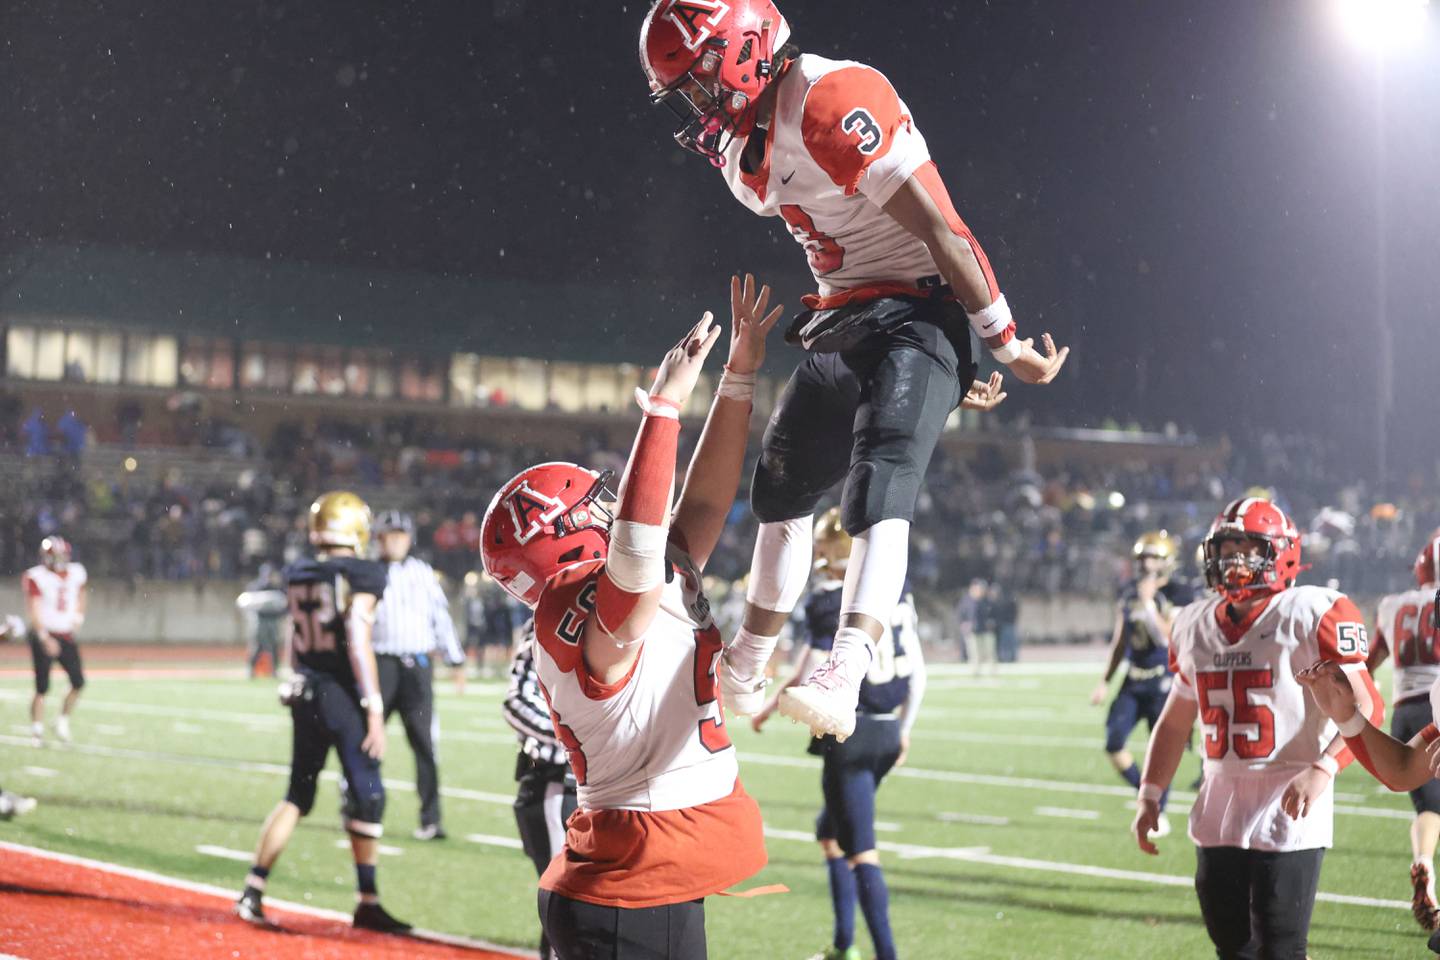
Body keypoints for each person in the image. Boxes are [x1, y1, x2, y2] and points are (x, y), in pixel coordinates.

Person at [639, 0, 1062, 741]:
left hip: (924, 305)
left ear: (742, 51)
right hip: (846, 316)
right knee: (778, 489)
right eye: (687, 93)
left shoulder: (833, 98)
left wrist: (1004, 342)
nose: (699, 107)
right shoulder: (747, 154)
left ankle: (845, 667)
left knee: (878, 486)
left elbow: (942, 229)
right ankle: (748, 657)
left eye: (701, 83)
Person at [480, 277, 779, 957]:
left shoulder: (620, 585)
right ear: (564, 536)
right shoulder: (578, 606)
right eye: (593, 507)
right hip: (630, 887)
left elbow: (701, 507)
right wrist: (664, 408)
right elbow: (639, 562)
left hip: (645, 874)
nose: (610, 508)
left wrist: (738, 377)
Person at [1132, 497, 1383, 960]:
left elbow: (1368, 704)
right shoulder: (1193, 622)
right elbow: (1173, 721)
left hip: (1291, 794)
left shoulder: (1313, 610)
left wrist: (1324, 768)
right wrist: (1150, 793)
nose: (1234, 559)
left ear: (1281, 552)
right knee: (1230, 944)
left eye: (1248, 547)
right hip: (1219, 799)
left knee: (1281, 947)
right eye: (1227, 547)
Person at [752, 507, 925, 960]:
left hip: (850, 734)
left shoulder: (830, 600)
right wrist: (904, 730)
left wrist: (766, 709)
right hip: (888, 732)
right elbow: (919, 672)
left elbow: (806, 670)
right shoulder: (896, 591)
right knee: (829, 831)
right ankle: (843, 943)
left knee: (861, 851)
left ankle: (886, 954)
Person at [233, 491, 410, 934]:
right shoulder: (363, 571)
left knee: (297, 795)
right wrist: (372, 709)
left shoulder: (299, 570)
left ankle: (252, 889)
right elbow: (356, 636)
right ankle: (366, 900)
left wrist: (297, 675)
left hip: (306, 691)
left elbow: (297, 634)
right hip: (342, 694)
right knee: (368, 792)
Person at [1361, 529, 1440, 931]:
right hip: (1437, 706)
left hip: (1405, 712)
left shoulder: (1394, 604)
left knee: (1430, 807)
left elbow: (1369, 662)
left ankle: (1424, 861)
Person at [370, 509, 465, 840]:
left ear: (409, 538)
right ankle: (361, 807)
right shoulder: (367, 572)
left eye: (400, 534)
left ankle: (431, 818)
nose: (395, 540)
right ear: (378, 538)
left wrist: (455, 660)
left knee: (426, 744)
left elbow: (440, 617)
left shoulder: (423, 573)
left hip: (417, 665)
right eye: (388, 534)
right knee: (367, 741)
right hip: (379, 663)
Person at [1089, 531, 1188, 836]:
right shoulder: (1129, 591)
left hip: (1164, 680)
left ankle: (1159, 811)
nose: (1147, 563)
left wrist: (1148, 604)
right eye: (1143, 557)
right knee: (1113, 742)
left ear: (1167, 561)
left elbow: (1170, 637)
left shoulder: (1177, 592)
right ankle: (1144, 792)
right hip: (1134, 680)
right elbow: (1121, 641)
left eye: (1154, 557)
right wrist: (1105, 680)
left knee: (1162, 751)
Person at [502, 618, 579, 960]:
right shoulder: (551, 619)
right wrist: (580, 736)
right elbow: (517, 700)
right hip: (558, 782)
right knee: (564, 897)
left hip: (615, 786)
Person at [24, 536, 87, 747]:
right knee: (42, 687)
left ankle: (62, 721)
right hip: (44, 635)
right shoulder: (36, 577)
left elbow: (81, 595)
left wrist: (78, 617)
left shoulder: (77, 572)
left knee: (78, 682)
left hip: (65, 634)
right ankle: (36, 731)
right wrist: (44, 638)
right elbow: (33, 611)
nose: (61, 558)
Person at [236, 564, 288, 679]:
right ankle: (250, 671)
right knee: (257, 646)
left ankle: (274, 671)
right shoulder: (255, 586)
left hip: (273, 620)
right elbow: (246, 602)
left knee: (274, 646)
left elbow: (283, 604)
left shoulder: (276, 588)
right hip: (260, 620)